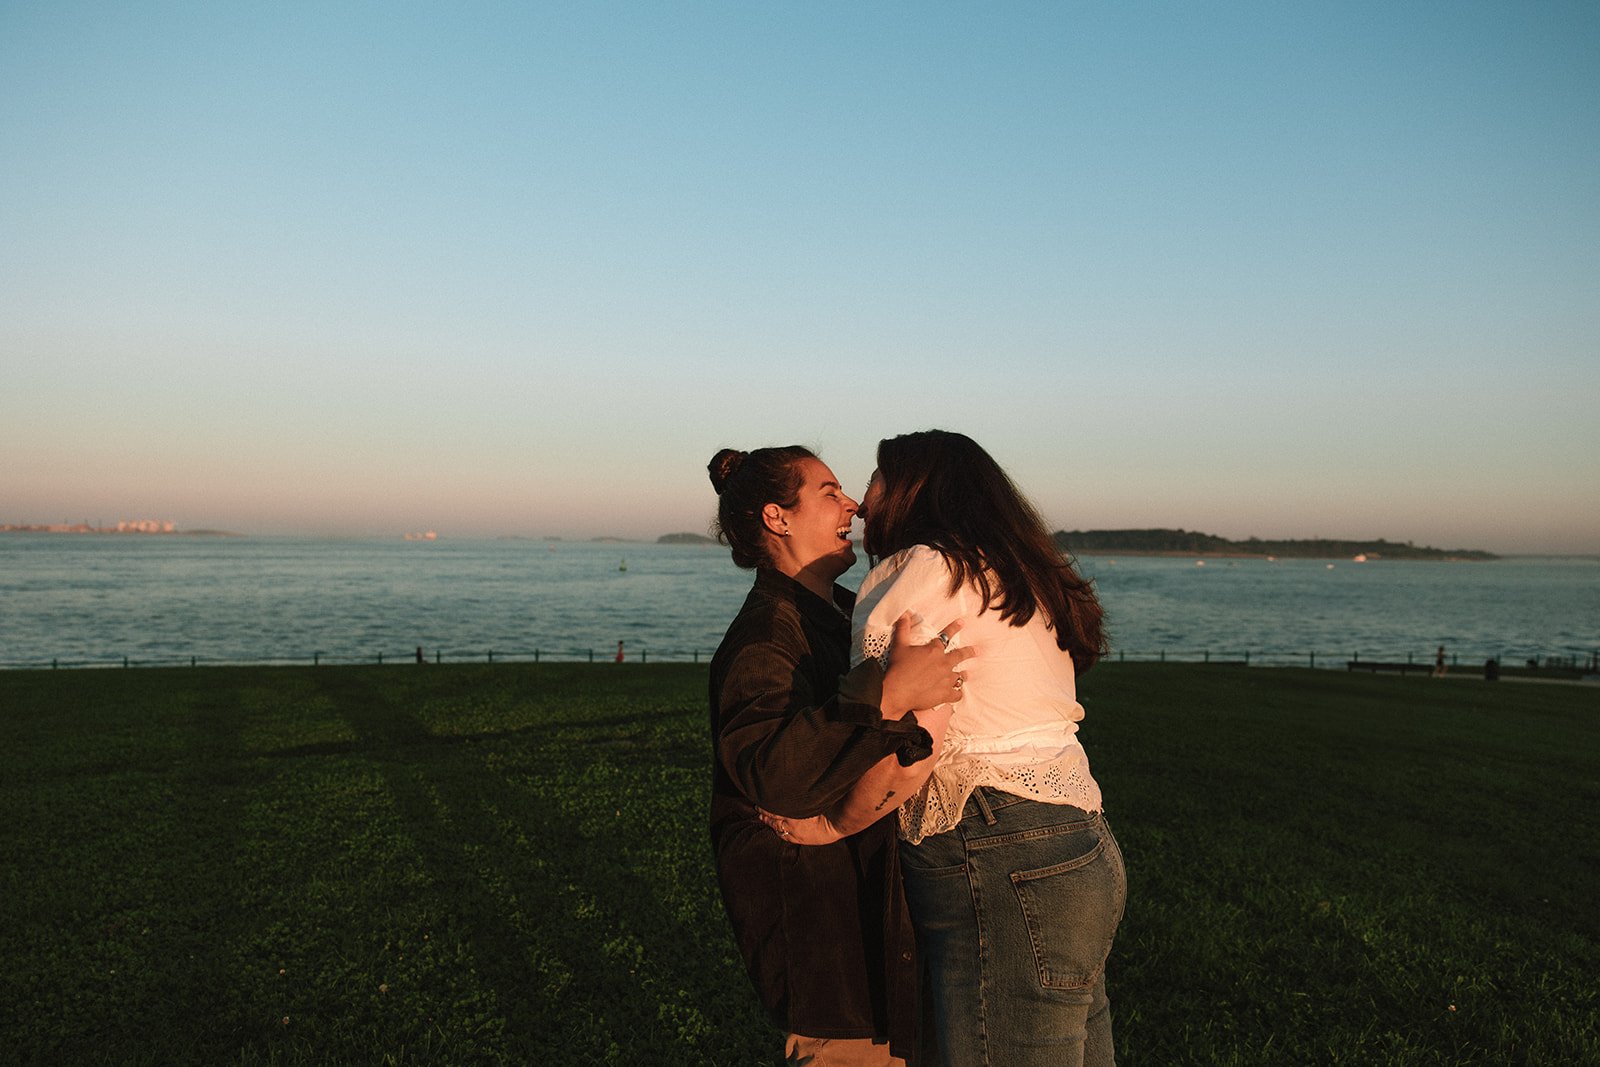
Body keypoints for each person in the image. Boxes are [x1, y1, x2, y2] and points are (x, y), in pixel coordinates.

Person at [768, 430, 1125, 1067]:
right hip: (1083, 846)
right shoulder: (1020, 575)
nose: (862, 501)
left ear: (914, 489)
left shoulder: (918, 572)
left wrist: (833, 822)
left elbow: (914, 740)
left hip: (995, 850)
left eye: (875, 481)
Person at [707, 445, 971, 1067]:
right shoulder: (766, 636)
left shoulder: (848, 612)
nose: (852, 503)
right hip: (832, 953)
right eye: (829, 492)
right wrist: (888, 692)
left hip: (885, 937)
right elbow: (774, 775)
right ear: (778, 517)